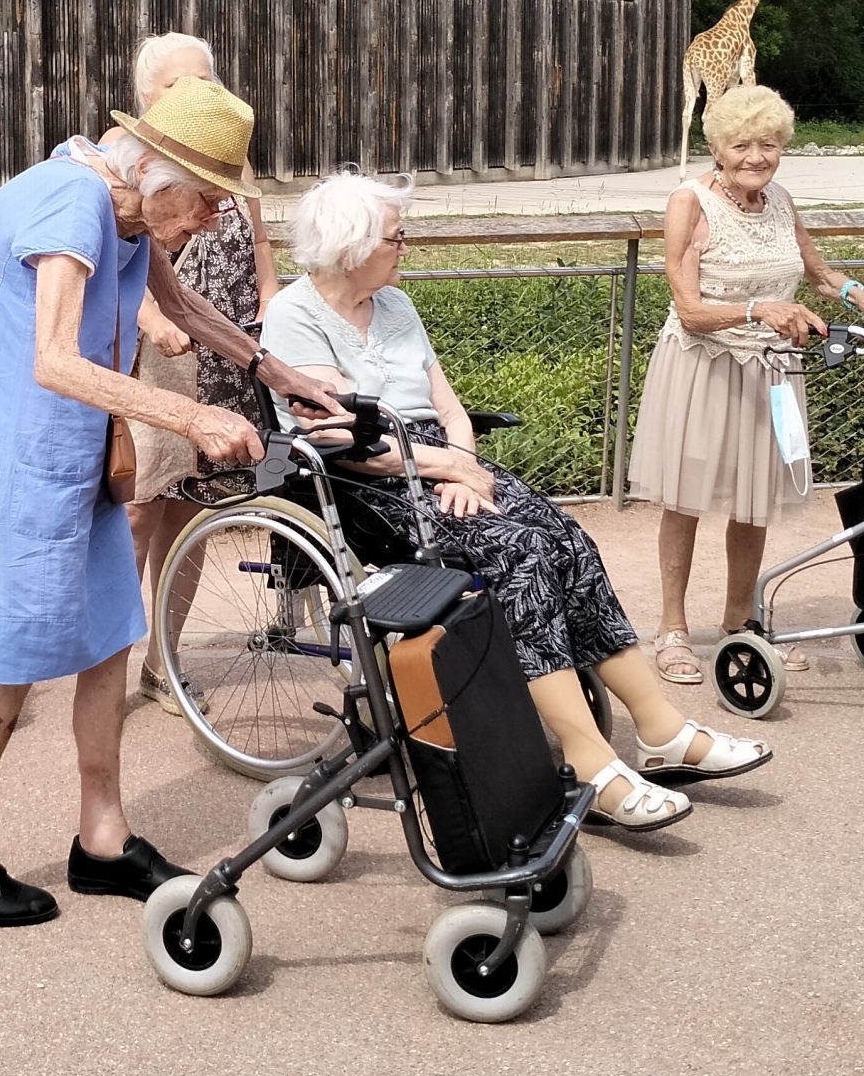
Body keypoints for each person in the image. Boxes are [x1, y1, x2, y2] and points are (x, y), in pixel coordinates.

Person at [0, 78, 343, 926]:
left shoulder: (125, 207)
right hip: (24, 462)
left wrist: (277, 373)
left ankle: (101, 840)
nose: (215, 219)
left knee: (110, 638)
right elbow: (54, 362)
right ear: (157, 170)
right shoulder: (72, 204)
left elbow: (176, 304)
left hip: (87, 457)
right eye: (209, 200)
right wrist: (191, 414)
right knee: (10, 666)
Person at [263, 171, 772, 833]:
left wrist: (464, 466)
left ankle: (660, 728)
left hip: (440, 464)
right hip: (366, 482)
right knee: (523, 556)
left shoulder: (395, 306)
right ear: (352, 246)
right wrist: (443, 466)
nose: (406, 247)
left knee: (569, 540)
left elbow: (446, 405)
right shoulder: (296, 317)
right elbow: (343, 439)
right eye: (397, 237)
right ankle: (588, 758)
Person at [630, 84, 864, 684]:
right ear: (716, 147)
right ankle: (673, 629)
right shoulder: (689, 203)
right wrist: (758, 308)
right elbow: (686, 309)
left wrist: (860, 296)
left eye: (768, 144)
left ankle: (741, 624)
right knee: (685, 498)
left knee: (755, 498)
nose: (756, 157)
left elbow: (815, 271)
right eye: (741, 145)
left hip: (777, 372)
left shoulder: (780, 199)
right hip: (702, 367)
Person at [119, 33, 278, 714]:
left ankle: (165, 663)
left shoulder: (226, 160)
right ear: (149, 98)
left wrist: (269, 307)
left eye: (205, 83)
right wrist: (154, 318)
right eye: (180, 88)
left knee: (191, 513)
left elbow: (260, 236)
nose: (197, 97)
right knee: (135, 509)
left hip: (223, 343)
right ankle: (106, 666)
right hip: (154, 361)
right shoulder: (130, 166)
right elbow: (127, 268)